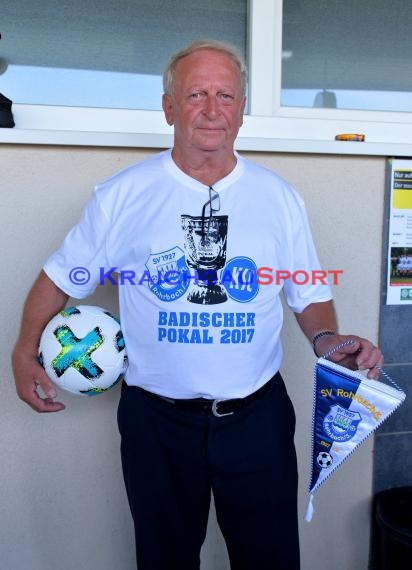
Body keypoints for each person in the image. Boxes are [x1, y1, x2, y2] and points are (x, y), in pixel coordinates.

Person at [12, 40, 383, 570]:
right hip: (156, 422)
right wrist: (25, 350)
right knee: (164, 559)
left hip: (257, 417)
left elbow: (309, 295)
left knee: (270, 559)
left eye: (226, 95)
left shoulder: (278, 197)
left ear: (242, 108)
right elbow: (59, 276)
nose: (212, 109)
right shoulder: (123, 194)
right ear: (168, 108)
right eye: (196, 94)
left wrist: (328, 342)